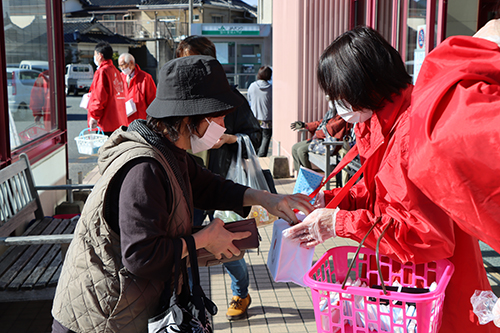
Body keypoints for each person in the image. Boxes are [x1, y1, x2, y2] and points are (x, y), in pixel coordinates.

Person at [51, 55, 313, 333]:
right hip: (101, 318)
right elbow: (142, 257)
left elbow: (208, 186)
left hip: (127, 307)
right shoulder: (144, 169)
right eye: (218, 116)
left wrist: (266, 199)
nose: (224, 125)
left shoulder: (168, 151)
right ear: (189, 118)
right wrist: (204, 239)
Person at [285, 26, 496, 333]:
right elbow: (381, 195)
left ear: (360, 85)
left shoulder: (410, 131)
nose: (336, 105)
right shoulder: (379, 120)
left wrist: (337, 223)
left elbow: (424, 236)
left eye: (338, 95)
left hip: (434, 293)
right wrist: (329, 202)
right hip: (403, 282)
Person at [176, 35, 263, 321]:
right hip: (185, 184)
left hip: (218, 181)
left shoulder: (231, 98)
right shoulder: (178, 101)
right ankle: (186, 301)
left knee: (225, 245)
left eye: (197, 63)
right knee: (189, 246)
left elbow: (256, 135)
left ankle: (241, 293)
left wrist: (228, 139)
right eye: (185, 62)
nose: (191, 70)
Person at [290, 97, 352, 173]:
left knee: (301, 151)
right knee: (294, 148)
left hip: (329, 144)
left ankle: (310, 177)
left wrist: (317, 133)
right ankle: (301, 174)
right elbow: (320, 123)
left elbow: (330, 130)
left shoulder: (342, 117)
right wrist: (305, 125)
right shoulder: (332, 113)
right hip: (320, 140)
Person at [87, 42, 128, 136]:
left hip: (105, 122)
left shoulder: (102, 71)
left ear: (100, 55)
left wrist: (94, 116)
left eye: (95, 55)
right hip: (119, 121)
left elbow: (99, 97)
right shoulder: (116, 71)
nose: (95, 57)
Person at [118, 53, 157, 124]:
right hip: (124, 121)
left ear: (131, 63)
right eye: (120, 66)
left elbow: (152, 101)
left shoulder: (145, 78)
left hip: (140, 121)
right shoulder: (119, 78)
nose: (122, 68)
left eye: (123, 65)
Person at [248, 66, 273, 157]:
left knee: (256, 138)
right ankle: (261, 157)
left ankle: (254, 157)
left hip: (254, 118)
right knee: (266, 138)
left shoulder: (252, 86)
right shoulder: (271, 88)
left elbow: (249, 99)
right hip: (268, 118)